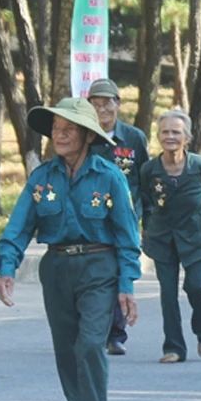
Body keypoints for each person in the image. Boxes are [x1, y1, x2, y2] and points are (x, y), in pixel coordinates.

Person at [0, 97, 141, 401]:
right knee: (66, 350)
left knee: (90, 343)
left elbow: (127, 235)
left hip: (99, 266)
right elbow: (19, 226)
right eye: (56, 129)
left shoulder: (109, 177)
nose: (59, 135)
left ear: (88, 135)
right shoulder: (42, 178)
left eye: (69, 129)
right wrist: (7, 267)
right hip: (57, 268)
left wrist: (126, 284)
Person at [139, 109, 201, 363]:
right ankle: (173, 347)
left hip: (196, 235)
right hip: (162, 237)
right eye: (165, 132)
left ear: (187, 137)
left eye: (176, 132)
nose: (170, 136)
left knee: (197, 285)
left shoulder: (199, 166)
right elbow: (147, 199)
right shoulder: (150, 169)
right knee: (168, 293)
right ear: (158, 136)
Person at [87, 77, 149, 356]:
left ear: (118, 104)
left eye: (107, 103)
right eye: (96, 104)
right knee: (96, 273)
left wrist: (147, 220)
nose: (102, 110)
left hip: (126, 217)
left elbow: (145, 179)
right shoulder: (85, 136)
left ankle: (116, 334)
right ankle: (94, 329)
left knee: (121, 272)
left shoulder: (133, 138)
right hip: (92, 217)